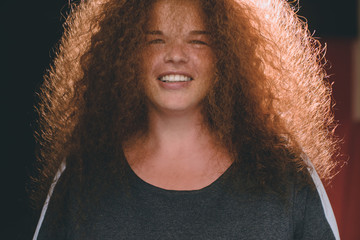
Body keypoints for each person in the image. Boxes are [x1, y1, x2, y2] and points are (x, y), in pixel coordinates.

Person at [31, 0, 340, 239]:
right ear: (125, 53)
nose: (175, 55)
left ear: (227, 53)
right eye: (155, 40)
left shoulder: (283, 175)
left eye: (197, 41)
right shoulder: (83, 173)